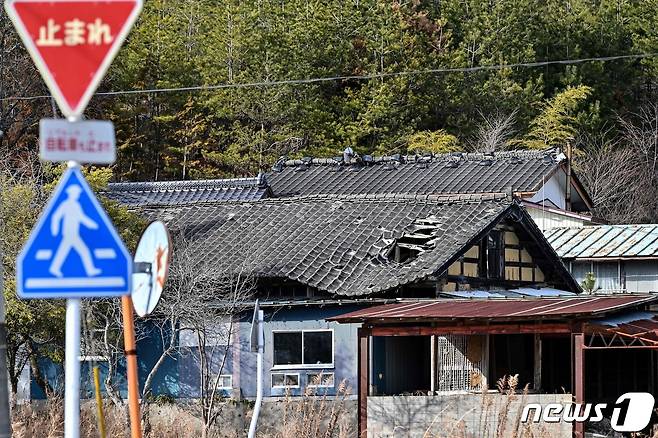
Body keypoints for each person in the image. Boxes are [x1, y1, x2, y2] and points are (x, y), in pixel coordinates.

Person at [49, 184, 101, 278]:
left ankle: (55, 268)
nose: (78, 194)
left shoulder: (76, 204)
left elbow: (81, 217)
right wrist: (54, 231)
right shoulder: (66, 204)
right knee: (83, 251)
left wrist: (91, 224)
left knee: (64, 251)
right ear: (72, 193)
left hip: (73, 233)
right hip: (69, 233)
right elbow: (56, 216)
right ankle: (90, 270)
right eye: (76, 193)